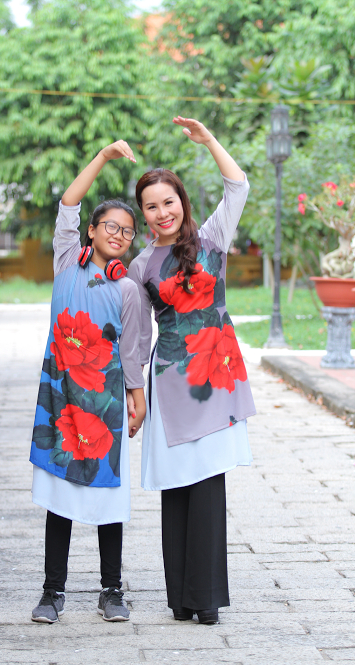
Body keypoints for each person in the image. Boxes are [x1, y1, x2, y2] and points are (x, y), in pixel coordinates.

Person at [127, 116, 256, 625]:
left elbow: (238, 185)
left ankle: (206, 599)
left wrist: (209, 141)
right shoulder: (141, 266)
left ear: (181, 201)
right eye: (151, 206)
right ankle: (182, 600)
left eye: (169, 202)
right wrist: (135, 393)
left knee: (208, 484)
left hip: (216, 378)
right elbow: (138, 338)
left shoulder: (212, 238)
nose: (162, 213)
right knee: (179, 483)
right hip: (171, 383)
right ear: (143, 213)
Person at [29, 141, 146, 624]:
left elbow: (132, 350)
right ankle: (52, 591)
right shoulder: (65, 262)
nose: (119, 235)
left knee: (107, 496)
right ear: (91, 231)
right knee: (59, 495)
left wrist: (137, 398)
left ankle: (111, 590)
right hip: (60, 398)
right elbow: (68, 203)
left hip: (104, 404)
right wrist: (102, 157)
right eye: (110, 226)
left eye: (127, 231)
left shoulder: (128, 289)